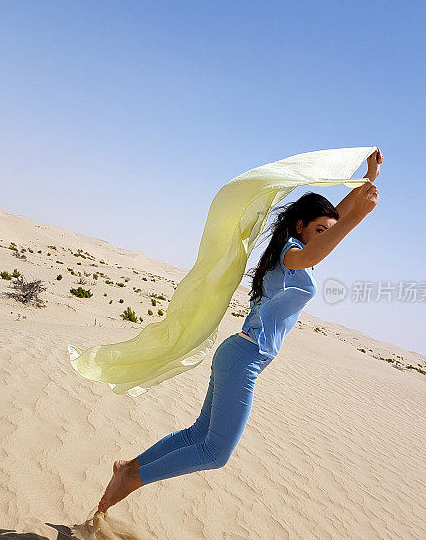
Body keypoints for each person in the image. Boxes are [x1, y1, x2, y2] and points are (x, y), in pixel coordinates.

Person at [95, 150, 383, 515]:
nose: (326, 234)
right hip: (242, 358)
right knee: (215, 453)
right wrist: (357, 217)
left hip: (239, 354)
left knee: (199, 435)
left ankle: (129, 467)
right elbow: (322, 247)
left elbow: (336, 221)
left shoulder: (299, 246)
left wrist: (369, 179)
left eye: (327, 229)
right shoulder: (292, 254)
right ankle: (134, 479)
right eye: (319, 229)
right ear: (300, 227)